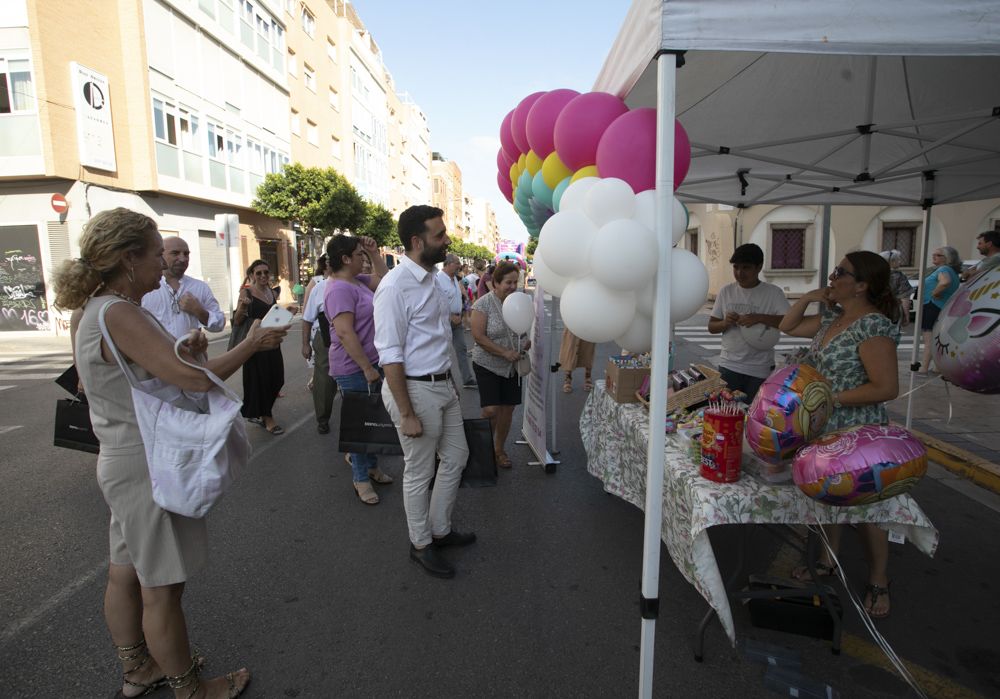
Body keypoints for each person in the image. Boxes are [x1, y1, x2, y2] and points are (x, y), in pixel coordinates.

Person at [52, 208, 288, 699]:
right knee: (162, 587)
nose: (164, 264)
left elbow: (141, 373)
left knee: (126, 573)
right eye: (157, 254)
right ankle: (191, 689)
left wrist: (189, 349)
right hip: (147, 463)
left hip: (123, 458)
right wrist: (252, 345)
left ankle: (139, 669)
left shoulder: (93, 309)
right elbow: (186, 379)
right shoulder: (119, 311)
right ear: (127, 258)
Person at [779, 251, 902, 618]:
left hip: (857, 430)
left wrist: (831, 397)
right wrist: (806, 298)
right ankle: (828, 560)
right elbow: (787, 326)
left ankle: (879, 579)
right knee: (826, 496)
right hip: (824, 426)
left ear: (861, 285)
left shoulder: (872, 326)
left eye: (840, 273)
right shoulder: (833, 316)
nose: (833, 277)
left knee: (866, 508)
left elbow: (887, 387)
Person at [374, 205, 473, 579]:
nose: (446, 240)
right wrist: (406, 412)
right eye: (439, 235)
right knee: (418, 472)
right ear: (417, 242)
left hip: (440, 385)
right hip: (414, 392)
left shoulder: (432, 278)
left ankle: (440, 530)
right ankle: (421, 544)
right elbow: (391, 356)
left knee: (456, 457)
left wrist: (452, 383)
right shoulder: (395, 287)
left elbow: (439, 338)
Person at [325, 234, 393, 505]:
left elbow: (387, 282)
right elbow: (344, 332)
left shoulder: (358, 282)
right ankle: (360, 478)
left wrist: (375, 252)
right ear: (345, 259)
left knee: (373, 420)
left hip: (372, 362)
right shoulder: (339, 289)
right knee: (359, 426)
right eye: (359, 254)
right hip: (353, 367)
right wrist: (366, 367)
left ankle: (372, 467)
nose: (363, 259)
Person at [707, 243, 791, 400]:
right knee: (726, 412)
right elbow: (712, 326)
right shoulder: (726, 291)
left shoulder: (773, 293)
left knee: (753, 414)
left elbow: (789, 322)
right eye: (736, 267)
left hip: (759, 370)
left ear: (758, 267)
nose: (739, 273)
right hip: (728, 366)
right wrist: (725, 323)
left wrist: (759, 317)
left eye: (746, 268)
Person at [470, 261, 530, 469]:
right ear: (495, 283)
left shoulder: (519, 302)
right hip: (487, 364)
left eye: (516, 282)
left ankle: (498, 450)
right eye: (508, 282)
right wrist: (504, 352)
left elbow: (522, 330)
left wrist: (525, 343)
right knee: (490, 410)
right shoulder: (483, 304)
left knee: (507, 411)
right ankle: (482, 449)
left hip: (512, 367)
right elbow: (478, 336)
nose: (513, 286)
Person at [234, 259, 288, 434]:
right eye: (259, 273)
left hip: (272, 342)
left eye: (266, 272)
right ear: (252, 276)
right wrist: (242, 306)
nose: (264, 275)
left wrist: (286, 314)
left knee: (278, 378)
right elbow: (237, 321)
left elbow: (273, 314)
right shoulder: (246, 293)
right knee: (260, 381)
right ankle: (267, 418)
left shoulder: (271, 293)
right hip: (255, 344)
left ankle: (259, 412)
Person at [141, 236, 225, 340]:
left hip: (192, 355)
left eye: (186, 254)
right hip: (155, 355)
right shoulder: (146, 287)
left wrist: (199, 311)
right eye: (175, 253)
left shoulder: (200, 287)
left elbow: (219, 325)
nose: (183, 259)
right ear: (161, 255)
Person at [300, 260, 337, 434]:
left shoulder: (360, 283)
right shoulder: (319, 287)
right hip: (326, 337)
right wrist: (305, 343)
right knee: (324, 380)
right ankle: (323, 419)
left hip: (355, 338)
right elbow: (307, 318)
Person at [437, 253, 477, 389]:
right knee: (444, 352)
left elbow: (456, 296)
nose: (459, 265)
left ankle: (467, 379)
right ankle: (447, 382)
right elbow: (436, 303)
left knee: (462, 349)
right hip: (444, 321)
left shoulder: (454, 278)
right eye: (456, 263)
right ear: (448, 264)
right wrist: (449, 316)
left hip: (458, 320)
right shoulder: (438, 279)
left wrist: (461, 311)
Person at [920, 246, 961, 376]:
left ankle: (923, 368)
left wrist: (935, 292)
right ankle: (937, 367)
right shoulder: (952, 271)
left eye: (938, 255)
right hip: (942, 307)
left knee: (929, 339)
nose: (934, 257)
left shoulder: (943, 269)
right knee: (938, 338)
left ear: (947, 258)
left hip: (932, 305)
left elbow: (945, 282)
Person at [880, 249, 912, 327]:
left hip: (874, 311)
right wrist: (906, 316)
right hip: (892, 312)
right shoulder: (899, 277)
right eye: (898, 260)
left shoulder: (873, 275)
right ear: (892, 262)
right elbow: (905, 298)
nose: (900, 262)